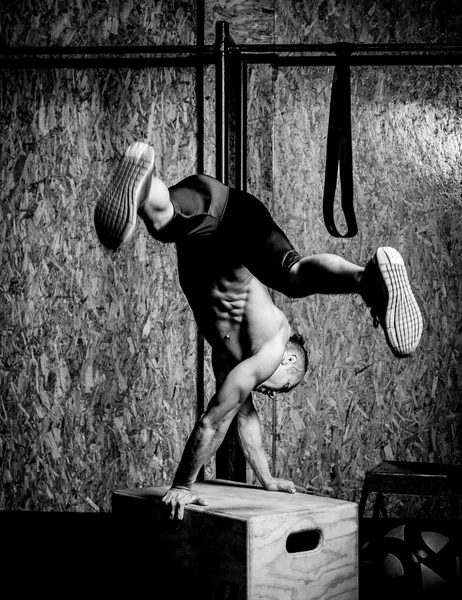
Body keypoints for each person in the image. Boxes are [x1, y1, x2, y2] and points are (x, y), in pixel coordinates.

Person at [94, 142, 423, 520]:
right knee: (292, 276)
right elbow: (213, 419)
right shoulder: (268, 350)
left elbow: (243, 417)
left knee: (165, 218)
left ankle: (142, 180)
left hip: (212, 209)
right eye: (282, 385)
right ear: (289, 360)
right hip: (230, 220)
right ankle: (368, 280)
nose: (269, 389)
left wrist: (266, 478)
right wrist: (183, 484)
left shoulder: (229, 354)